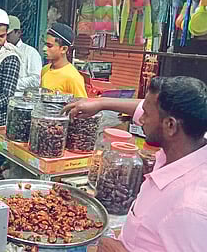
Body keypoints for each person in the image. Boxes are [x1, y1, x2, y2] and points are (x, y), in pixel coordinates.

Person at [63, 76, 207, 252]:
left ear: (170, 125)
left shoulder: (189, 208)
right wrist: (100, 103)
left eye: (146, 114)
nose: (140, 119)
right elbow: (145, 107)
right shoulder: (187, 144)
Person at [41, 23, 87, 98]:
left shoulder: (73, 77)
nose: (44, 49)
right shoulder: (45, 70)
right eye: (44, 44)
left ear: (64, 49)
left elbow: (82, 105)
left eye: (49, 46)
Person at [6, 15, 42, 93]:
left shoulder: (30, 53)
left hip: (21, 99)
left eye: (8, 34)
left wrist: (11, 84)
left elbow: (36, 80)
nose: (5, 37)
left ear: (18, 33)